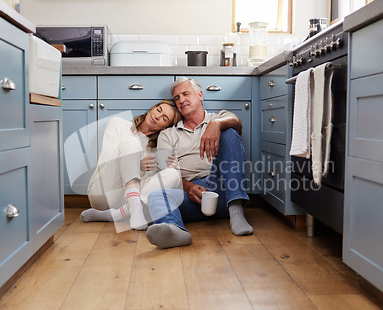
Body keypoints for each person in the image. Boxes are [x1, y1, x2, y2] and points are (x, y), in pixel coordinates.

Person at [146, 77, 253, 249]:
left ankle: (236, 211)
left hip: (222, 190)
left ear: (200, 95)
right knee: (156, 196)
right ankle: (175, 230)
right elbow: (166, 173)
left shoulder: (219, 117)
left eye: (185, 94)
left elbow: (237, 123)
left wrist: (216, 125)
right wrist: (187, 187)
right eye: (177, 98)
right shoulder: (168, 135)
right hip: (191, 195)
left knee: (230, 132)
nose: (181, 100)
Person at [80, 99, 183, 231]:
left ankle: (120, 213)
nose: (157, 116)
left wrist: (171, 166)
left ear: (165, 127)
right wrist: (137, 165)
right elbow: (107, 159)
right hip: (102, 192)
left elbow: (163, 183)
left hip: (126, 199)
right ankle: (132, 211)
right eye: (158, 110)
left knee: (173, 175)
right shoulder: (118, 124)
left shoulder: (159, 146)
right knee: (130, 142)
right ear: (152, 108)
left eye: (164, 118)